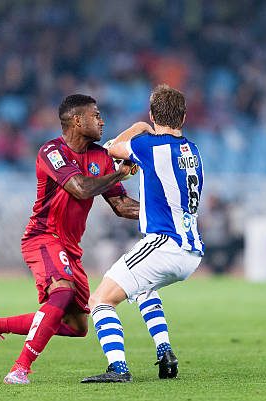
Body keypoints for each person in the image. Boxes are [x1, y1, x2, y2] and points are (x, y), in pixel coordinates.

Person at [0, 94, 139, 384]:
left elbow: (122, 206)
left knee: (76, 326)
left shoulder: (101, 157)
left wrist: (163, 212)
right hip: (43, 236)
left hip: (70, 247)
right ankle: (19, 369)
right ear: (77, 120)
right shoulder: (52, 151)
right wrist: (119, 174)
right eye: (95, 115)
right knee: (61, 292)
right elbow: (80, 188)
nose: (102, 121)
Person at [81, 84, 204, 383]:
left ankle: (118, 368)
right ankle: (165, 353)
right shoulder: (193, 150)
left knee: (99, 300)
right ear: (184, 117)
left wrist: (138, 126)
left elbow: (111, 148)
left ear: (152, 114)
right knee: (144, 288)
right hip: (191, 251)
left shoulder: (149, 146)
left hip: (164, 244)